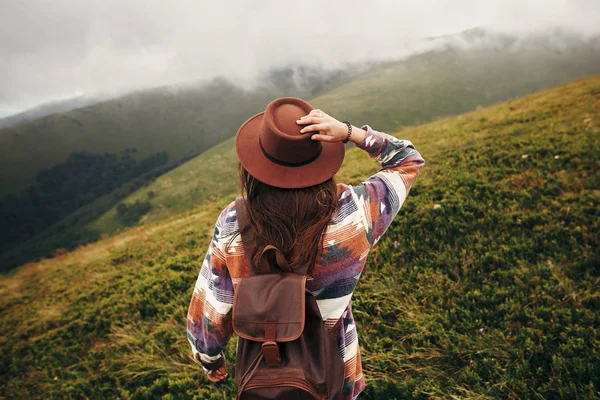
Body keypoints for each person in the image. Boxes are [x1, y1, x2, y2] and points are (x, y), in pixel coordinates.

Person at [186, 97, 425, 399]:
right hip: (335, 371)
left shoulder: (234, 221)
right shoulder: (356, 211)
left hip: (263, 373)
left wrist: (210, 359)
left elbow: (212, 310)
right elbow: (407, 159)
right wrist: (351, 132)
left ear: (254, 165)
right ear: (320, 158)